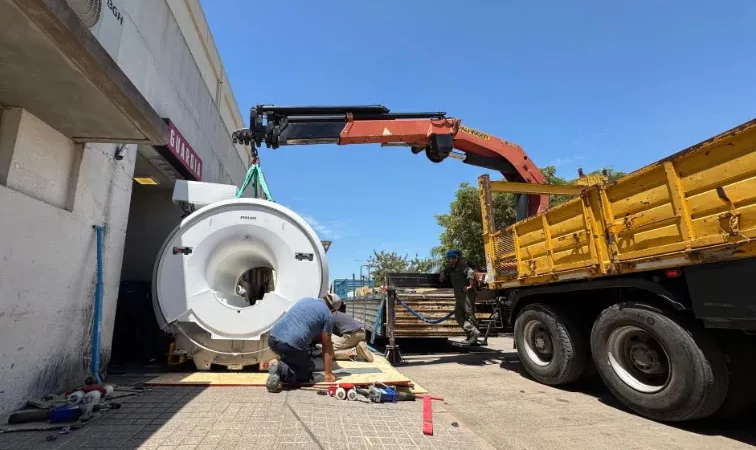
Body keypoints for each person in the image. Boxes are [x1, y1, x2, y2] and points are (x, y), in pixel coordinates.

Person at [265, 293, 341, 392]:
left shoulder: (305, 299)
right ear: (333, 310)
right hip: (290, 346)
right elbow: (327, 346)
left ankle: (280, 364)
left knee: (296, 356)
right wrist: (328, 374)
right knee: (306, 373)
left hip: (273, 338)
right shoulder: (328, 315)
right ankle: (281, 369)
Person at [439, 249, 481, 345]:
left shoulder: (462, 266)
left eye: (452, 258)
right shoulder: (451, 268)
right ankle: (472, 333)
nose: (449, 260)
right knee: (458, 316)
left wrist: (470, 285)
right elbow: (444, 271)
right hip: (458, 295)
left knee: (470, 315)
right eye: (448, 258)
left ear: (456, 258)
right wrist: (442, 275)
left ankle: (473, 336)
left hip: (467, 294)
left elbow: (470, 272)